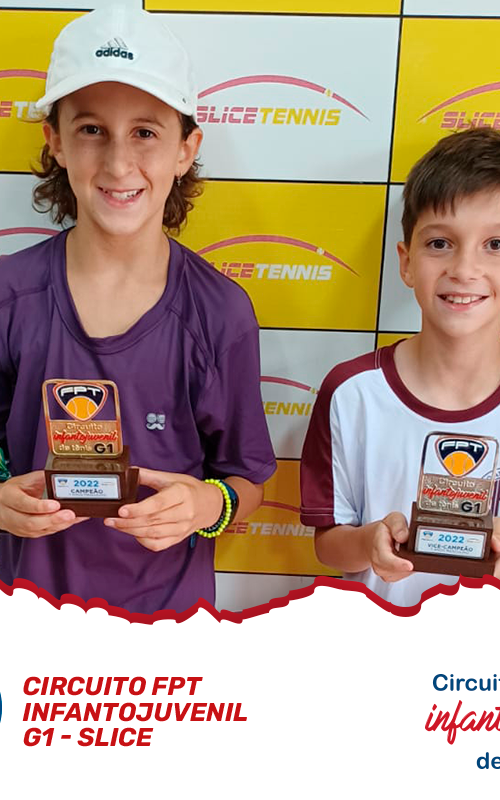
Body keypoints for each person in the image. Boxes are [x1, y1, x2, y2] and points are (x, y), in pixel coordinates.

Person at [0, 6, 276, 614]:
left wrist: (209, 505)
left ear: (186, 149)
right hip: (27, 621)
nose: (119, 164)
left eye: (145, 132)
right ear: (55, 141)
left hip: (166, 629)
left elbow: (247, 479)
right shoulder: (10, 296)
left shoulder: (219, 312)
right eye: (91, 129)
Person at [300, 126, 500, 607]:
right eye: (440, 243)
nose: (464, 270)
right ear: (407, 263)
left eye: (496, 244)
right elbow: (329, 544)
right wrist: (371, 543)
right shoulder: (352, 392)